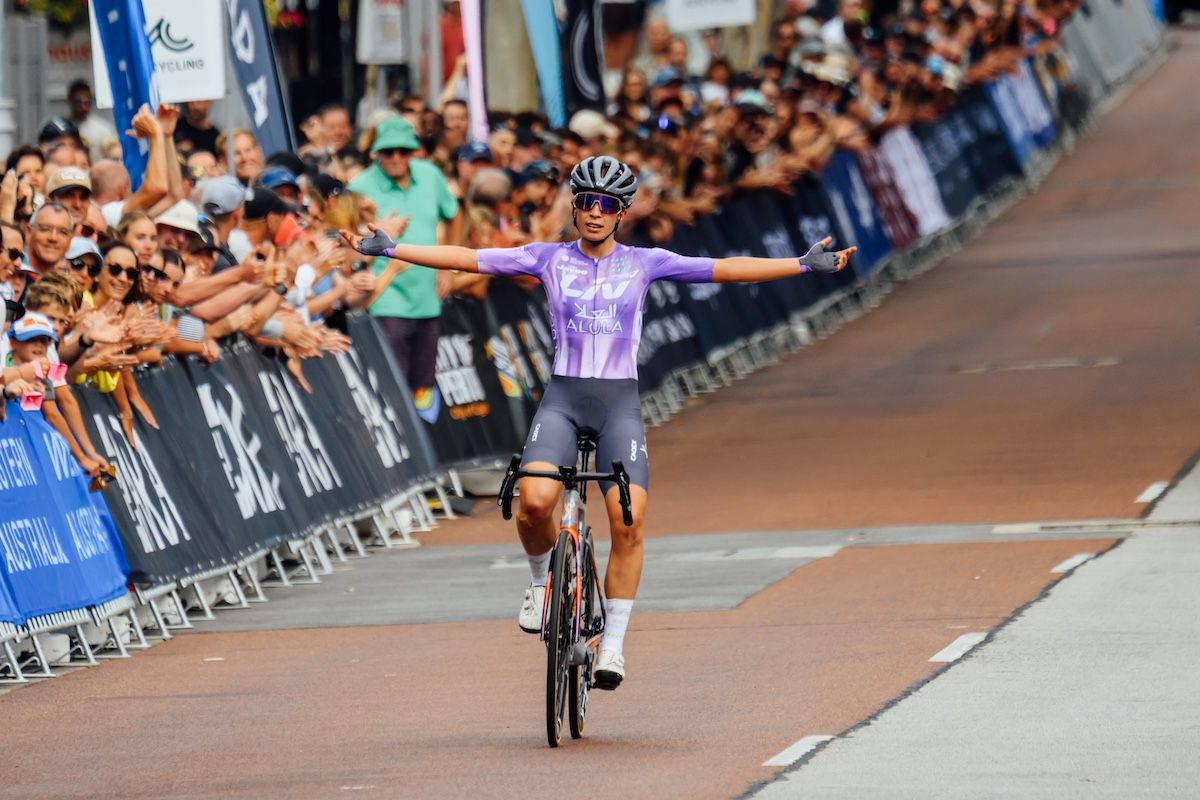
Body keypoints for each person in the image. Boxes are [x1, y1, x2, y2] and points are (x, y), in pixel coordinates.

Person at [342, 155, 855, 689]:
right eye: (584, 201)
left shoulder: (646, 262)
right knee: (534, 502)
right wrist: (392, 250)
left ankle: (612, 646)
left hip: (618, 406)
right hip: (563, 399)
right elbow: (469, 257)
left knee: (627, 522)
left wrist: (800, 264)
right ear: (574, 205)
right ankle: (541, 585)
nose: (593, 212)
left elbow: (721, 267)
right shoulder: (546, 257)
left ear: (621, 212)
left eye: (605, 204)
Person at [348, 118, 459, 412]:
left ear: (413, 151)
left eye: (402, 150)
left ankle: (422, 451)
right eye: (388, 152)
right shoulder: (358, 186)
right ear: (376, 153)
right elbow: (342, 237)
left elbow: (452, 214)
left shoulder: (430, 174)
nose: (396, 157)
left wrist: (449, 265)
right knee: (390, 386)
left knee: (422, 386)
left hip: (427, 299)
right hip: (385, 298)